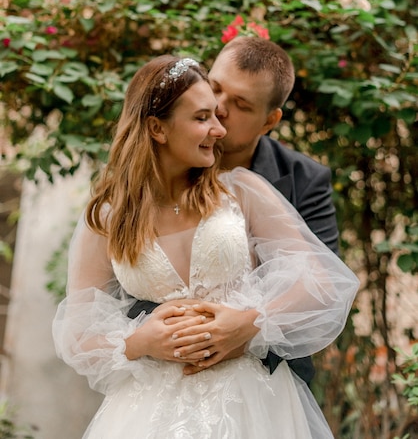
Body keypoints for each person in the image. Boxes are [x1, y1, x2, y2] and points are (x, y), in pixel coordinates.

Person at [53, 54, 359, 438]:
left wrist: (250, 322)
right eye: (204, 116)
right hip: (150, 408)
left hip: (252, 401)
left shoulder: (243, 190)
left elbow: (321, 282)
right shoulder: (109, 216)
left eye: (225, 112)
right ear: (157, 129)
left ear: (269, 120)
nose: (219, 127)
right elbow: (77, 333)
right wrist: (139, 340)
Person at [129, 36, 340, 382]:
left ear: (270, 121)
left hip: (264, 378)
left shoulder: (303, 180)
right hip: (160, 376)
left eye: (241, 104)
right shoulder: (148, 172)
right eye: (215, 88)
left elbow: (322, 290)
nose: (220, 107)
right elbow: (119, 291)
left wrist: (248, 329)